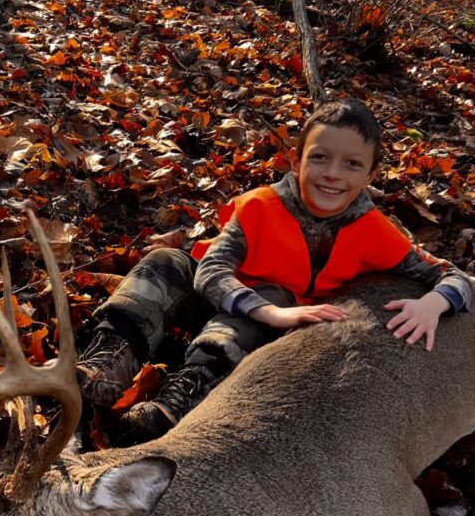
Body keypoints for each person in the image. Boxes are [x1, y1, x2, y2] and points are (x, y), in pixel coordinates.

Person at [77, 98, 472, 444]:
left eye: (352, 164)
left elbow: (454, 276)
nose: (333, 173)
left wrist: (435, 303)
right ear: (296, 160)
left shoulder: (375, 232)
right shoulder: (260, 207)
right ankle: (108, 362)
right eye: (320, 157)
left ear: (369, 177)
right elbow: (212, 268)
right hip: (228, 300)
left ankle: (180, 398)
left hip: (263, 329)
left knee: (267, 300)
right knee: (164, 262)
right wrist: (267, 311)